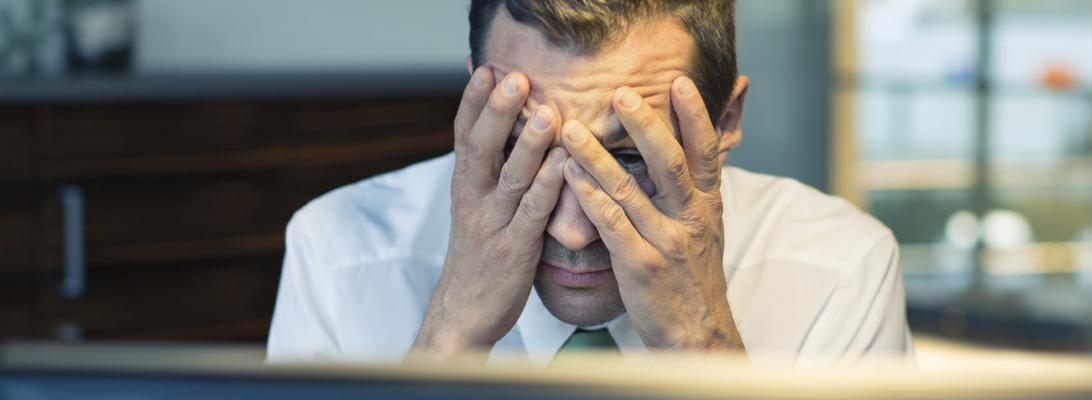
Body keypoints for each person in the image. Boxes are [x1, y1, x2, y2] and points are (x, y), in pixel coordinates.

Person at [267, 0, 911, 366]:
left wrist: (700, 341)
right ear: (475, 101)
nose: (574, 230)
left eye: (631, 159)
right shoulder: (339, 252)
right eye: (527, 149)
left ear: (726, 120)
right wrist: (450, 335)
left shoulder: (840, 267)